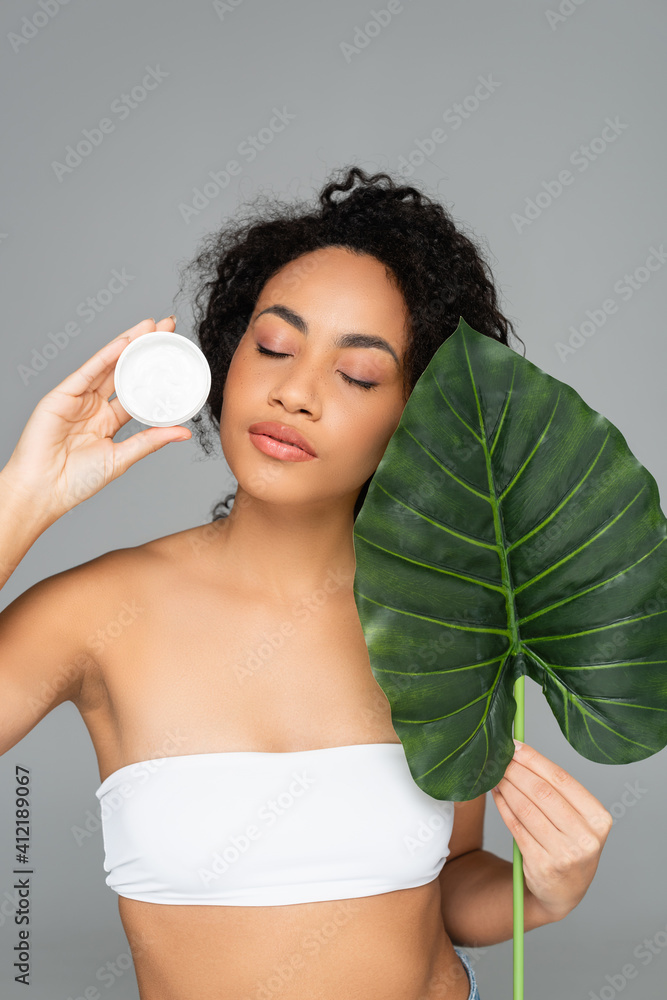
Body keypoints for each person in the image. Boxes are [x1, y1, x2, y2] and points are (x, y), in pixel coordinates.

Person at [0, 166, 613, 1000]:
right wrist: (20, 502)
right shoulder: (92, 612)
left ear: (417, 415)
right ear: (226, 355)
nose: (295, 392)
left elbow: (453, 880)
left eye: (358, 375)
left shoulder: (452, 622)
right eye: (274, 347)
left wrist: (540, 892)